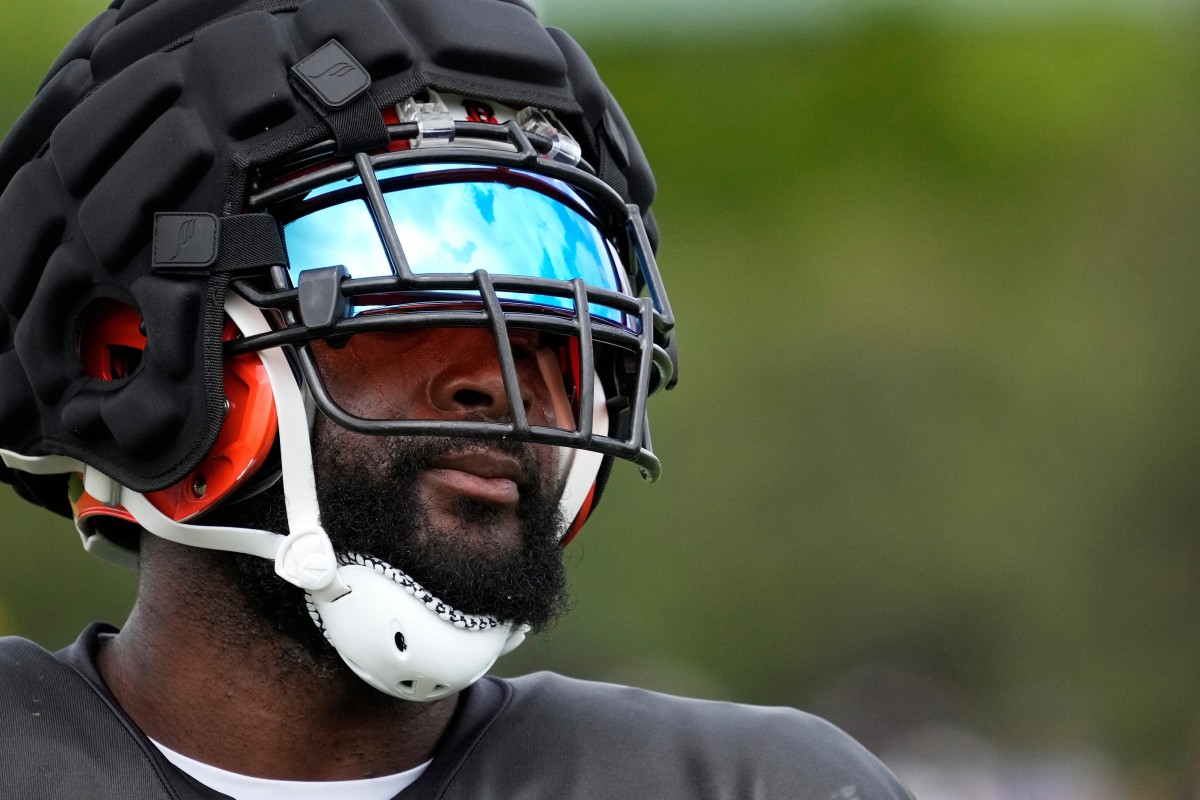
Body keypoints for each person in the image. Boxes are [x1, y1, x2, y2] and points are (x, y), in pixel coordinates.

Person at [0, 1, 914, 797]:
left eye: (554, 315)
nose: (506, 381)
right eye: (401, 302)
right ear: (135, 354)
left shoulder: (752, 787)